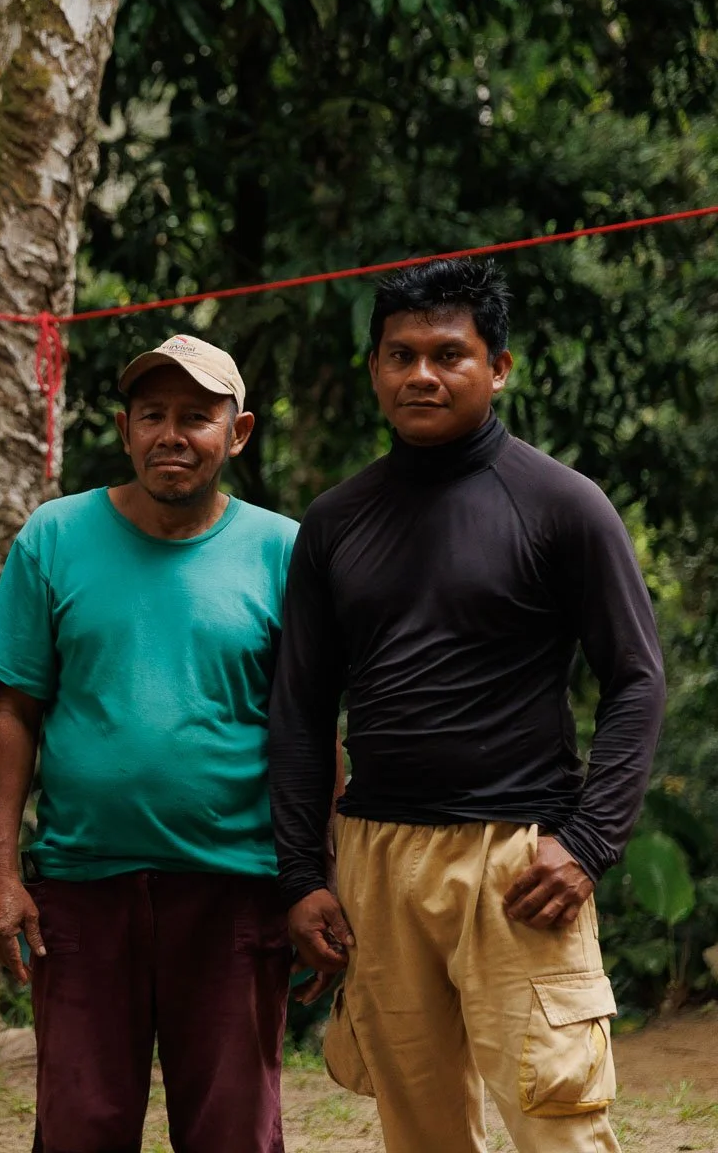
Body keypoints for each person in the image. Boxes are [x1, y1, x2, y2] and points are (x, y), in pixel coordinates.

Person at [270, 259, 667, 1153]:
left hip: (520, 861)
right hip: (377, 860)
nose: (421, 374)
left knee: (557, 1120)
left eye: (449, 354)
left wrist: (591, 842)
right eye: (399, 355)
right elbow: (299, 710)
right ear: (373, 368)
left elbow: (636, 678)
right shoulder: (336, 523)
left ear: (498, 368)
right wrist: (303, 875)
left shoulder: (563, 506)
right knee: (418, 1130)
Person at [0, 335, 299, 1153]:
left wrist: (316, 877)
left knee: (234, 1132)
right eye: (152, 415)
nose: (171, 434)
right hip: (82, 891)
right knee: (81, 1127)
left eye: (197, 417)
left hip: (236, 888)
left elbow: (310, 726)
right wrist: (2, 870)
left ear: (240, 431)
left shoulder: (284, 549)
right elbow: (12, 709)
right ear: (123, 430)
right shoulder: (56, 535)